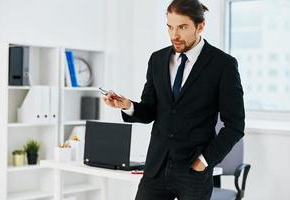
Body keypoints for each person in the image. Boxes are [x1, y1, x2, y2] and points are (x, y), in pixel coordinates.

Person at [103, 0, 245, 199]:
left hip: (193, 172)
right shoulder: (157, 60)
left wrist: (204, 161)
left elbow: (235, 126)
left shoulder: (223, 65)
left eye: (182, 27)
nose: (174, 35)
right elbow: (150, 110)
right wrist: (127, 105)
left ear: (200, 25)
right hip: (156, 167)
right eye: (169, 27)